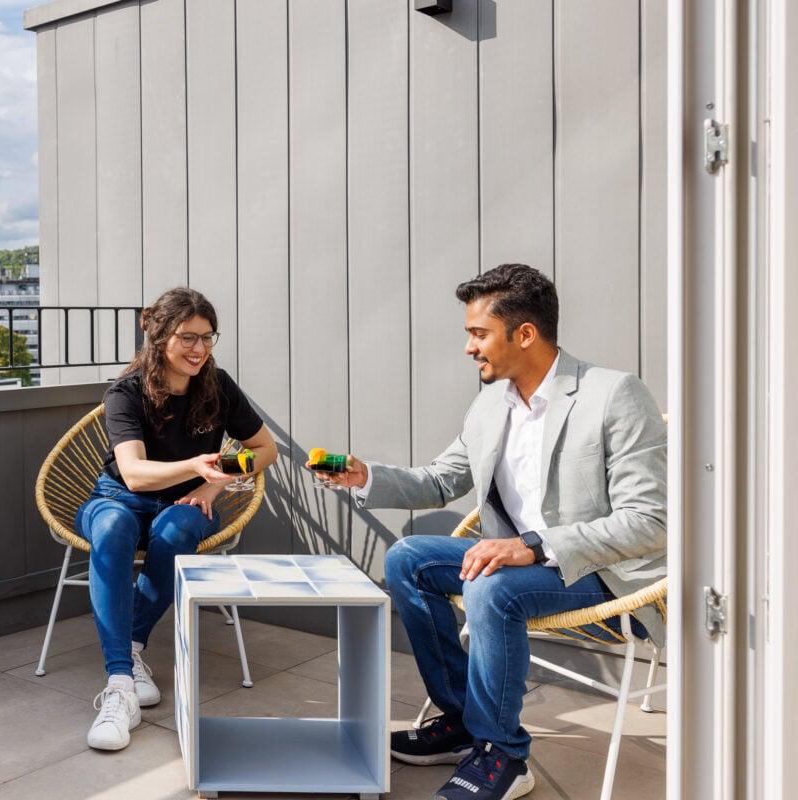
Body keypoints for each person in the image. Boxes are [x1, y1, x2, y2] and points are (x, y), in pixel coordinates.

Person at [315, 264, 666, 800]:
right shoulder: (490, 405)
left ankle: (503, 753)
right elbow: (438, 482)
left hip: (602, 575)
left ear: (524, 333)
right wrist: (364, 477)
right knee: (407, 558)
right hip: (516, 567)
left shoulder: (614, 394)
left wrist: (531, 545)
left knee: (492, 584)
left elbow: (649, 520)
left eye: (478, 334)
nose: (468, 348)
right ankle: (462, 719)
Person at [77, 287, 277, 751]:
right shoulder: (124, 393)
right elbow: (133, 474)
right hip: (119, 498)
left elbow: (265, 450)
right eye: (188, 337)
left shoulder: (218, 385)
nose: (199, 349)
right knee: (112, 529)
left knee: (178, 529)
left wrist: (212, 484)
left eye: (208, 338)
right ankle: (121, 686)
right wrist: (195, 466)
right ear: (159, 335)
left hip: (185, 502)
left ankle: (128, 651)